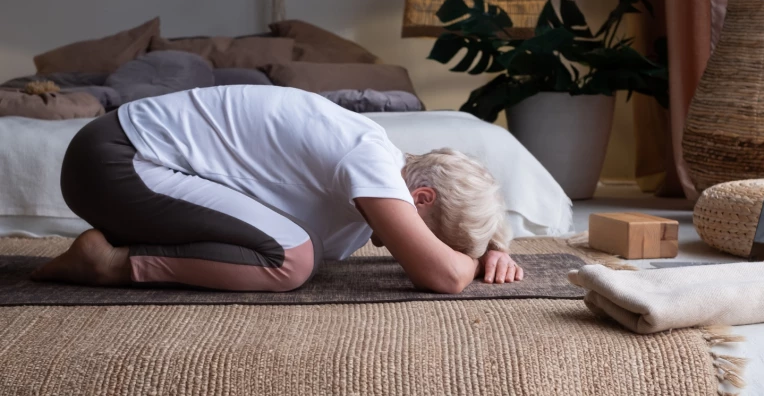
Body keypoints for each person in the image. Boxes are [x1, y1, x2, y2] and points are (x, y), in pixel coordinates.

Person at [32, 85, 523, 294]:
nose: (407, 247)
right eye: (433, 234)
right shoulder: (372, 159)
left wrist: (490, 248)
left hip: (130, 167)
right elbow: (441, 276)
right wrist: (461, 262)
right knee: (291, 257)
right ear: (420, 200)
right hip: (117, 160)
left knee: (280, 244)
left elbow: (449, 245)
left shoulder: (379, 176)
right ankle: (109, 265)